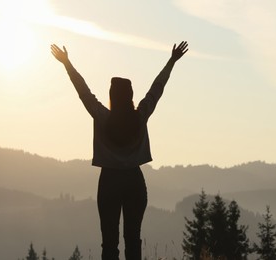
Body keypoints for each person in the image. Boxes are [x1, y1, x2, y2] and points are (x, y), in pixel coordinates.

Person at [50, 41, 189, 260]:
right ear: (131, 95)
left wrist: (67, 63)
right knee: (133, 240)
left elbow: (83, 91)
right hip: (135, 180)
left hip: (109, 181)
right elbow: (156, 89)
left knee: (109, 244)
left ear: (112, 96)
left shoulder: (102, 116)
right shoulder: (141, 115)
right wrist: (171, 61)